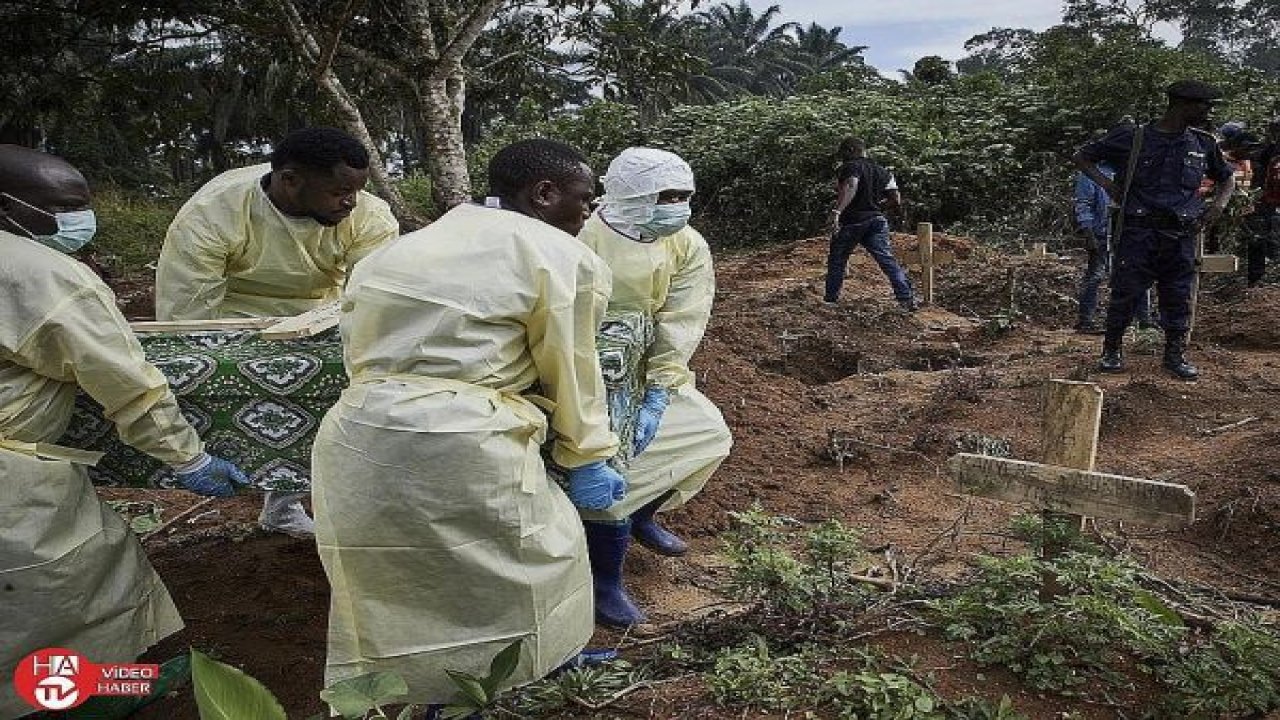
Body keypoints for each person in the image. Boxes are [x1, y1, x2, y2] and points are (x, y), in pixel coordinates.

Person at [311, 139, 625, 707]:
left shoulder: (402, 248)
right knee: (534, 558)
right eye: (584, 199)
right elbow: (571, 366)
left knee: (398, 580)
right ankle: (526, 673)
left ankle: (415, 697)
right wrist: (588, 454)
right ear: (544, 193)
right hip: (462, 434)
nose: (589, 213)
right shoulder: (558, 255)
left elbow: (358, 346)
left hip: (359, 430)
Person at [0, 145, 249, 719]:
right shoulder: (40, 274)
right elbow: (127, 383)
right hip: (14, 482)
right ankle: (76, 698)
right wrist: (187, 459)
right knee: (62, 592)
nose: (78, 219)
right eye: (61, 206)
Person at [155, 127, 400, 538]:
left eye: (357, 191)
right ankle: (227, 472)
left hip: (321, 313)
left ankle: (285, 505)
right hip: (230, 316)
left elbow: (376, 300)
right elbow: (188, 309)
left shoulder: (368, 216)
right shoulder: (214, 211)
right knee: (223, 386)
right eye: (340, 191)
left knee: (337, 393)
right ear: (290, 180)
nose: (350, 202)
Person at [576, 147, 733, 628]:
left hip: (647, 363)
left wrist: (661, 386)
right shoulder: (583, 234)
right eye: (667, 196)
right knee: (606, 460)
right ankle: (605, 581)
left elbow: (683, 317)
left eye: (685, 196)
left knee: (707, 434)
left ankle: (643, 512)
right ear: (631, 193)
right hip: (583, 366)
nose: (678, 207)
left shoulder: (687, 244)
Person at [1073, 80, 1235, 380]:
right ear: (1182, 105)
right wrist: (1108, 185)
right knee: (1126, 292)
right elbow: (1082, 157)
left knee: (1177, 295)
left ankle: (1175, 355)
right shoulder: (1133, 138)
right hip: (1138, 232)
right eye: (1203, 106)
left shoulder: (1203, 142)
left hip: (1181, 233)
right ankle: (1112, 350)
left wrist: (1217, 207)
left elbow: (1227, 179)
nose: (1208, 112)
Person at [824, 137, 918, 311]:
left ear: (851, 150)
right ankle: (906, 299)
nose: (842, 157)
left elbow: (852, 184)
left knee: (837, 260)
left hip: (852, 221)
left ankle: (830, 301)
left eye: (844, 152)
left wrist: (837, 211)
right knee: (887, 259)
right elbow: (896, 199)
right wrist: (875, 207)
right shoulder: (884, 171)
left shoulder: (851, 166)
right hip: (876, 221)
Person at [1073, 162, 1153, 333]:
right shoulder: (1091, 173)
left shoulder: (1132, 170)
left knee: (1138, 272)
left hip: (1130, 231)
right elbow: (1083, 204)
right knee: (1096, 275)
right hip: (1102, 232)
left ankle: (1144, 319)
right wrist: (1088, 232)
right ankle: (1085, 321)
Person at [1242, 117, 1280, 286]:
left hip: (1270, 204)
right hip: (1266, 203)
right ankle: (1258, 278)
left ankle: (1265, 277)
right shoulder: (1268, 152)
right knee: (1260, 238)